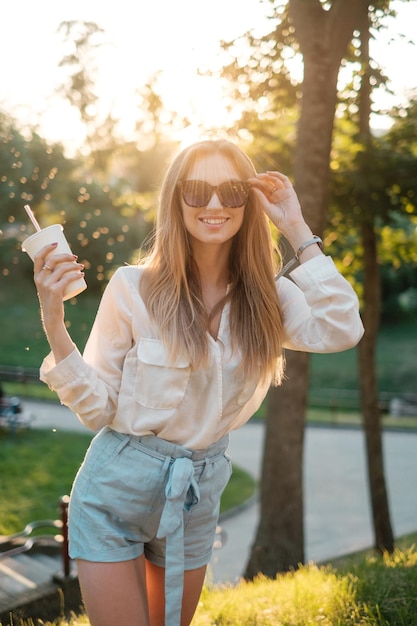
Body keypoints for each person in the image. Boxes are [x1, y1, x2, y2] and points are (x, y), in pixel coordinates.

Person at [33, 139, 364, 626]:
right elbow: (100, 408)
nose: (214, 205)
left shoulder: (268, 296)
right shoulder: (133, 287)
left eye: (232, 192)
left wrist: (294, 225)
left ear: (248, 203)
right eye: (196, 191)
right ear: (176, 200)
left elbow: (342, 328)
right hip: (114, 489)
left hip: (197, 490)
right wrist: (54, 323)